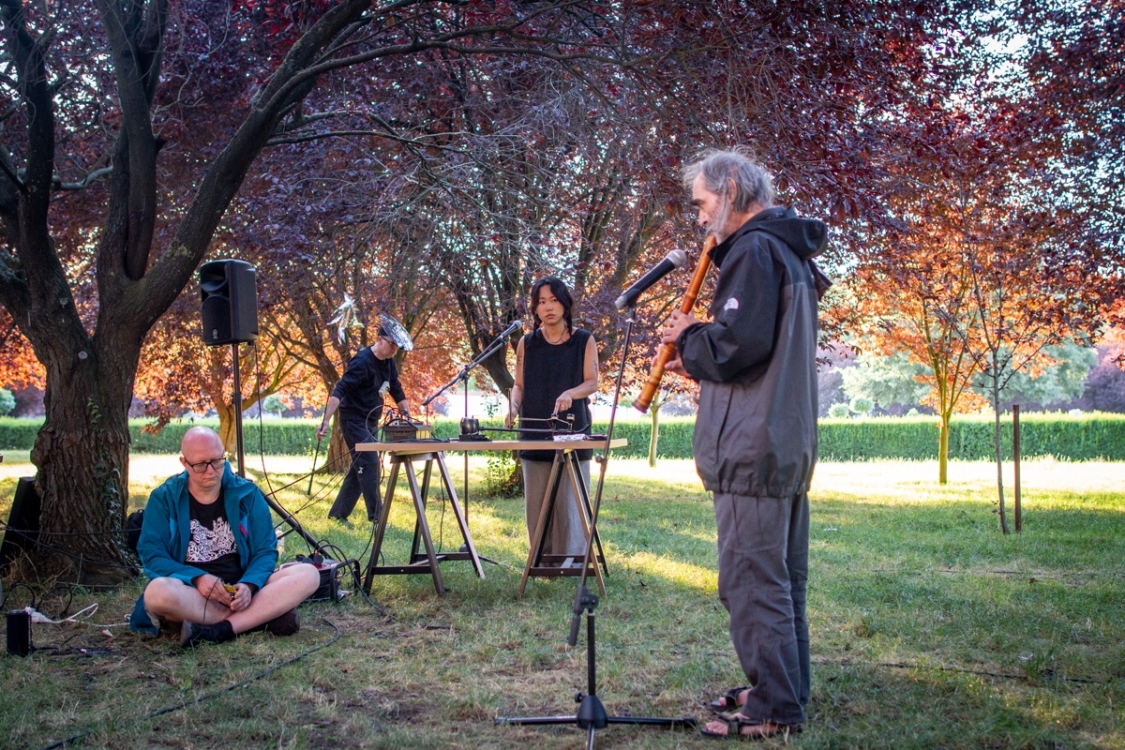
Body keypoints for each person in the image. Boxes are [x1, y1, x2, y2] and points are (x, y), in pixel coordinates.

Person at [659, 149, 827, 739]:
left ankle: (775, 708)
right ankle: (787, 689)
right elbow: (754, 348)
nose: (701, 219)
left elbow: (735, 346)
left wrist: (689, 335)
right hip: (782, 439)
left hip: (753, 446)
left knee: (752, 582)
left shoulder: (755, 249)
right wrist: (698, 358)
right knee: (781, 579)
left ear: (731, 188)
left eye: (703, 204)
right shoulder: (786, 252)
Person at [130, 427, 321, 647]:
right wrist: (198, 578)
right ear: (184, 463)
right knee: (156, 593)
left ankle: (220, 630)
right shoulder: (164, 498)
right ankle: (260, 618)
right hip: (192, 594)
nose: (210, 471)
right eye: (201, 465)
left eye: (217, 461)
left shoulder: (247, 493)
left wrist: (249, 586)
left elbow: (265, 550)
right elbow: (152, 556)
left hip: (241, 589)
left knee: (308, 574)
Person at [505, 277, 599, 562]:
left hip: (572, 430)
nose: (548, 307)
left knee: (569, 500)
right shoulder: (526, 344)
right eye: (541, 302)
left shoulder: (584, 340)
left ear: (565, 304)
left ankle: (572, 559)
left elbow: (592, 382)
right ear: (535, 308)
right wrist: (512, 406)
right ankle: (542, 559)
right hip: (534, 430)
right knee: (537, 502)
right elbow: (519, 385)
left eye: (553, 300)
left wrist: (571, 392)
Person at [318, 313, 415, 524]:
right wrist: (325, 421)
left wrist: (408, 416)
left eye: (397, 347)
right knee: (370, 462)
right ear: (379, 339)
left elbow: (396, 390)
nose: (394, 350)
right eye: (391, 345)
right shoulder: (361, 362)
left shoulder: (388, 363)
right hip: (352, 420)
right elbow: (339, 389)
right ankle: (377, 517)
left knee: (359, 467)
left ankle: (337, 514)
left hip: (371, 421)